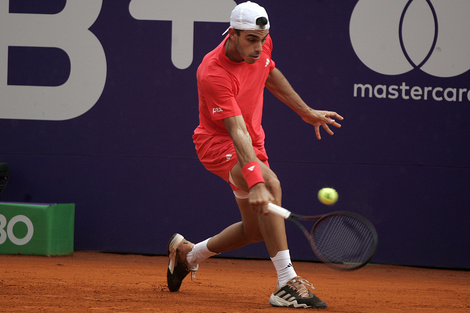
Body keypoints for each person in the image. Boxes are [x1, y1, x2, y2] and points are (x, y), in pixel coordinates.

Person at [167, 1, 343, 309]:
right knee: (270, 184)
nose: (259, 47)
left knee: (256, 231)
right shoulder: (213, 72)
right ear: (232, 34)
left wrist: (305, 111)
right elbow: (236, 131)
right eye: (251, 40)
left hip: (253, 143)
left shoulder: (262, 43)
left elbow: (269, 71)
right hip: (217, 143)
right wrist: (256, 180)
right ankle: (286, 283)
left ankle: (188, 254)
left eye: (263, 39)